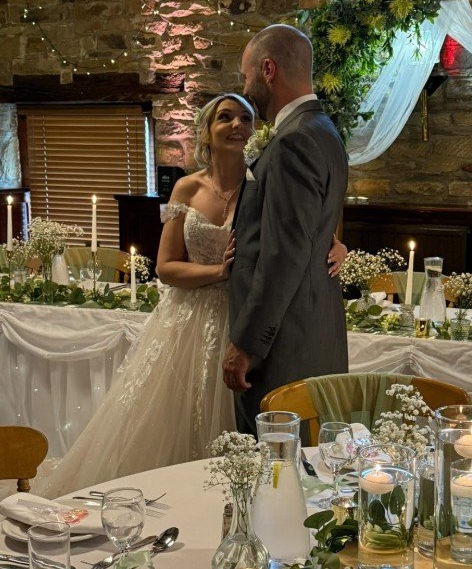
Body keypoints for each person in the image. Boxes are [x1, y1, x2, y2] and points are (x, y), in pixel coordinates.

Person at [37, 93, 346, 498]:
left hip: (243, 318)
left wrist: (338, 246)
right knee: (175, 421)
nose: (237, 125)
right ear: (207, 131)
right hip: (191, 319)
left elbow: (301, 235)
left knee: (236, 423)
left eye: (246, 118)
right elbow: (166, 267)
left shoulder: (265, 182)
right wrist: (220, 271)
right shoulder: (186, 188)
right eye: (225, 117)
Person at [223, 24, 349, 435]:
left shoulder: (294, 141)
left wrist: (246, 345)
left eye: (246, 76)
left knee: (273, 468)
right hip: (311, 331)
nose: (245, 86)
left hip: (282, 346)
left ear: (268, 69)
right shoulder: (324, 132)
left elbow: (283, 255)